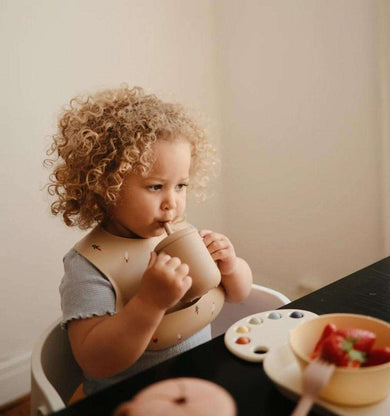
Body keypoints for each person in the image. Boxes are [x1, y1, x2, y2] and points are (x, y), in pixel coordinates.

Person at [45, 85, 253, 397]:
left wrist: (231, 266)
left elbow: (238, 294)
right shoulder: (89, 267)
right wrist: (149, 303)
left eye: (181, 185)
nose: (173, 203)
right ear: (107, 186)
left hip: (198, 388)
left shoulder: (183, 234)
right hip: (130, 401)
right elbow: (96, 360)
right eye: (156, 187)